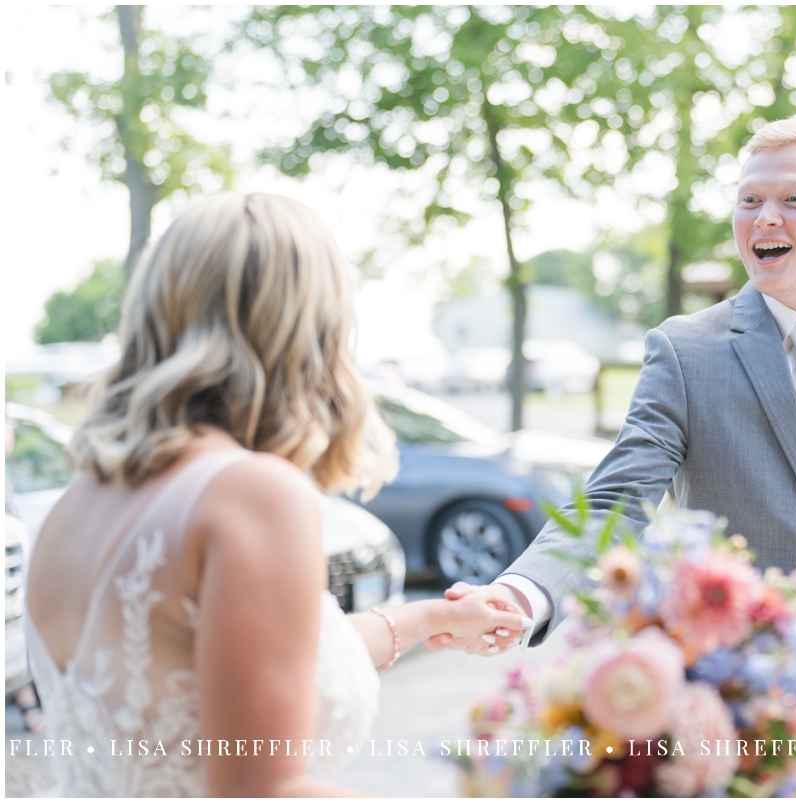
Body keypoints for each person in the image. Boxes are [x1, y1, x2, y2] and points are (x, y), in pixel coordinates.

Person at [434, 115, 796, 797]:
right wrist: (521, 593)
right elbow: (617, 502)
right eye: (748, 200)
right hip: (737, 742)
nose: (764, 216)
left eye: (793, 199)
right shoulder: (684, 352)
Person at [23, 192, 529, 797]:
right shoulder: (251, 492)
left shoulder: (77, 502)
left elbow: (237, 659)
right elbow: (262, 790)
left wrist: (428, 617)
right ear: (311, 331)